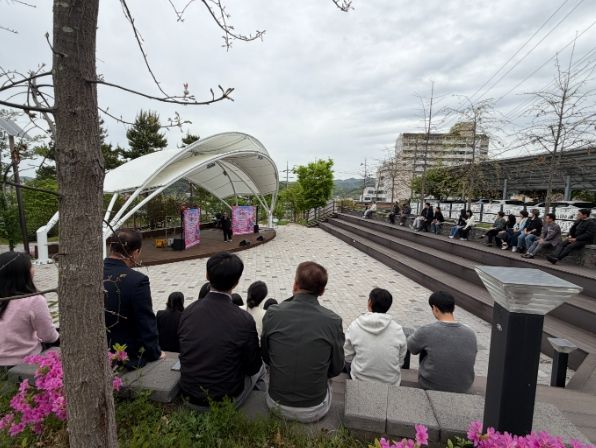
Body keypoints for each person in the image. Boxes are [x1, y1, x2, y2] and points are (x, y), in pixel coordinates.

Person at [178, 252, 264, 408]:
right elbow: (253, 367)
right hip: (225, 400)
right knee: (262, 368)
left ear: (207, 275)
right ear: (236, 282)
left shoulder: (188, 311)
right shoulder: (244, 319)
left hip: (188, 395)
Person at [261, 261, 344, 423]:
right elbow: (336, 368)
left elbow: (266, 356)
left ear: (295, 284)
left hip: (275, 403)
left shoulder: (273, 313)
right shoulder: (333, 321)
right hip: (315, 409)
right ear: (322, 291)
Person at [104, 229, 161, 368]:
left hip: (96, 350)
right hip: (126, 355)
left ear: (110, 247)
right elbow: (145, 321)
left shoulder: (90, 274)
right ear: (136, 252)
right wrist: (155, 352)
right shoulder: (137, 280)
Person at [407, 291, 477, 393]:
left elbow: (411, 348)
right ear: (453, 308)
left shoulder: (427, 331)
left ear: (435, 308)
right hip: (464, 387)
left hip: (430, 385)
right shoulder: (470, 333)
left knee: (425, 348)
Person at [0, 252, 59, 367]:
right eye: (31, 266)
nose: (34, 269)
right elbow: (48, 336)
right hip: (23, 360)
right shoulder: (34, 300)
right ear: (22, 273)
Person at [343, 288, 407, 385]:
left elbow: (347, 356)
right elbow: (400, 360)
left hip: (360, 379)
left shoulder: (355, 326)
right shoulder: (397, 329)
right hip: (391, 382)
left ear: (370, 303)